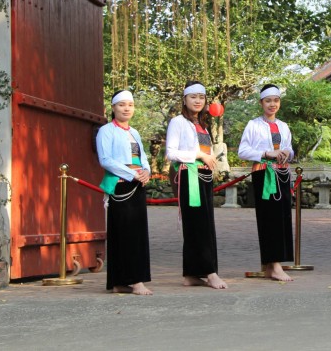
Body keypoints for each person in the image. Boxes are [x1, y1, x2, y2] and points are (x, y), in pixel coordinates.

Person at [165, 81, 227, 289]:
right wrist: (200, 154)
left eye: (201, 97)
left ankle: (191, 274)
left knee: (204, 224)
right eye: (193, 97)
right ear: (184, 99)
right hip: (189, 176)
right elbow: (171, 153)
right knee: (198, 225)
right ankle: (210, 273)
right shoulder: (178, 122)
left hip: (204, 177)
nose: (198, 100)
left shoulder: (202, 124)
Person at [95, 90, 153, 295]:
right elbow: (105, 160)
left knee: (137, 233)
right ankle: (131, 281)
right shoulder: (106, 131)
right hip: (121, 185)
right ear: (113, 108)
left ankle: (123, 282)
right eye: (121, 105)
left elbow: (143, 156)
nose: (126, 108)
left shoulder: (134, 132)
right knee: (124, 234)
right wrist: (132, 173)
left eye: (130, 104)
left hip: (137, 184)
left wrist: (146, 171)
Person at [237, 84, 295, 282]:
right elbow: (242, 151)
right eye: (268, 100)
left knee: (283, 219)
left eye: (276, 100)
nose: (272, 104)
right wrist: (265, 153)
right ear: (261, 102)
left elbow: (289, 148)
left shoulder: (284, 126)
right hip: (264, 175)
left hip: (282, 175)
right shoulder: (253, 125)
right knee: (269, 220)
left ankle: (272, 265)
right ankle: (274, 265)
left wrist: (288, 152)